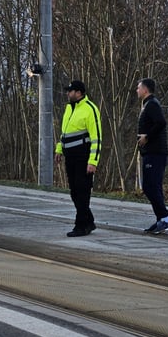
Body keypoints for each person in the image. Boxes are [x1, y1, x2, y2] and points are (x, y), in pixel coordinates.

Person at [54, 80, 102, 237]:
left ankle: (81, 226)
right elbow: (64, 133)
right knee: (74, 192)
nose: (68, 93)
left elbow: (97, 138)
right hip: (71, 157)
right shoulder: (69, 109)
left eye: (71, 91)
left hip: (84, 157)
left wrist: (93, 161)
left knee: (82, 192)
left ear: (79, 93)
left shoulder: (90, 109)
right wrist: (59, 149)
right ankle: (88, 220)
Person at [136, 77, 168, 234]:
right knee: (154, 186)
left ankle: (165, 218)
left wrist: (147, 137)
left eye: (138, 88)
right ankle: (161, 219)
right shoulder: (148, 104)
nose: (137, 90)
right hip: (151, 152)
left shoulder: (152, 104)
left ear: (145, 90)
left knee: (149, 186)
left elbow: (161, 122)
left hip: (155, 152)